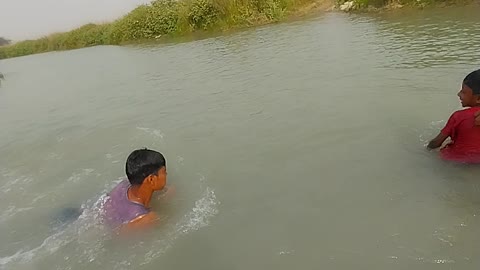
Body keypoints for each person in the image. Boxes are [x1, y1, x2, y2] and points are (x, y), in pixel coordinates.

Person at [104, 148, 173, 231]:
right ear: (151, 179)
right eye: (164, 172)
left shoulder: (123, 185)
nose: (166, 174)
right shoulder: (146, 219)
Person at [427, 69, 480, 163]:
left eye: (463, 92)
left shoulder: (458, 116)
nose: (458, 94)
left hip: (454, 162)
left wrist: (426, 148)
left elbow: (436, 143)